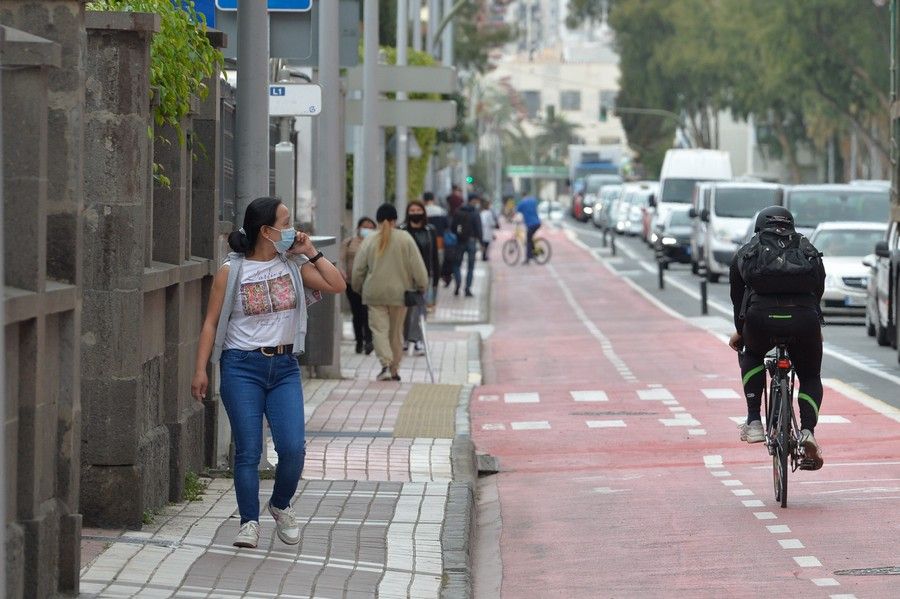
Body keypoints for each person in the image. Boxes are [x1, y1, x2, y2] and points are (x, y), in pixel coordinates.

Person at [190, 197, 346, 549]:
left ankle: (279, 504)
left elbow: (337, 285)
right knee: (248, 450)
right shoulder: (232, 271)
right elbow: (211, 324)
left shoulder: (291, 264)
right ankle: (248, 522)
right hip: (241, 367)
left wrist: (310, 252)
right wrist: (201, 369)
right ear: (266, 230)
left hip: (285, 367)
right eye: (286, 221)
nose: (293, 228)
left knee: (293, 449)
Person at [727, 206, 826, 470]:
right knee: (810, 376)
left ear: (759, 227)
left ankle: (754, 422)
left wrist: (741, 329)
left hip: (760, 319)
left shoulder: (749, 250)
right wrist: (814, 323)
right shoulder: (806, 248)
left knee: (753, 354)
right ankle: (807, 431)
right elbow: (819, 287)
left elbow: (737, 296)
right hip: (804, 319)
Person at [352, 203, 429, 381]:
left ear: (378, 219)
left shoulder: (369, 240)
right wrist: (422, 285)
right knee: (395, 333)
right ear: (395, 219)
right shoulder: (405, 238)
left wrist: (358, 288)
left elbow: (358, 270)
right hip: (400, 294)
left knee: (379, 330)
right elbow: (417, 266)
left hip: (374, 293)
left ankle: (385, 365)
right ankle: (394, 369)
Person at [399, 200, 440, 355]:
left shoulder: (430, 231)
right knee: (405, 309)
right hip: (405, 276)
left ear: (423, 212)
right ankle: (403, 339)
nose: (415, 213)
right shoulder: (402, 230)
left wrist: (436, 279)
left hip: (424, 276)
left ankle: (417, 341)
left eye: (418, 210)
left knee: (420, 309)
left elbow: (435, 256)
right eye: (412, 210)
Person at [340, 217, 376, 354]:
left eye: (370, 227)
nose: (367, 230)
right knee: (357, 313)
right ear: (358, 228)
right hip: (351, 283)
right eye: (364, 226)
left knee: (367, 312)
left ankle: (369, 341)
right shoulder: (349, 242)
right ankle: (359, 341)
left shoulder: (375, 243)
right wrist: (342, 272)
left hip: (369, 284)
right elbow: (342, 259)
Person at [449, 194, 483, 297]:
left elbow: (453, 227)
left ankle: (458, 282)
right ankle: (467, 289)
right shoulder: (475, 213)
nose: (477, 203)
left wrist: (458, 235)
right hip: (471, 241)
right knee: (471, 267)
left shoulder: (458, 211)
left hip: (460, 241)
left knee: (456, 264)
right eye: (476, 201)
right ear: (473, 200)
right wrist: (481, 242)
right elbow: (479, 228)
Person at [423, 192, 448, 305]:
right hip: (439, 242)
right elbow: (447, 226)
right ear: (433, 199)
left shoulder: (421, 211)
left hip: (424, 243)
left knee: (426, 270)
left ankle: (426, 297)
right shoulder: (441, 211)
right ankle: (433, 298)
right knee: (436, 269)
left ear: (424, 200)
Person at [516, 194, 541, 264]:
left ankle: (528, 258)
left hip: (531, 224)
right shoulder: (532, 200)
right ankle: (533, 253)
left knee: (528, 240)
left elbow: (517, 212)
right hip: (537, 223)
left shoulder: (522, 203)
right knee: (530, 238)